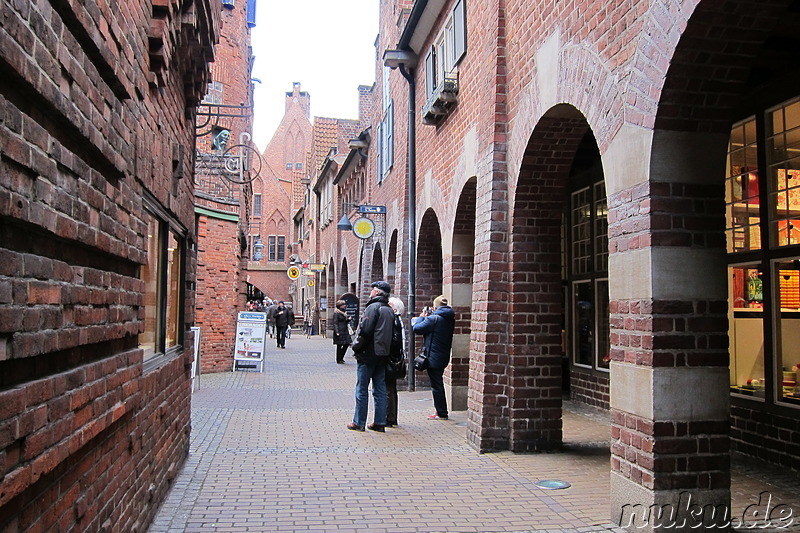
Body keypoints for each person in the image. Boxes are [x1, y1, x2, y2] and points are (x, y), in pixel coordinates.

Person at [347, 281, 394, 433]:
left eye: (374, 289)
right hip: (383, 354)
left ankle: (359, 422)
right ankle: (380, 422)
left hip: (368, 354)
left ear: (378, 292)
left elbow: (365, 331)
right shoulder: (389, 310)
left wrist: (356, 346)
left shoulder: (373, 308)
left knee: (361, 389)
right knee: (380, 389)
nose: (371, 291)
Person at [412, 295, 455, 420]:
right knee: (438, 382)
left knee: (436, 385)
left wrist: (422, 317)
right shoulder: (449, 318)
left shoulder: (433, 319)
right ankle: (440, 410)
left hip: (433, 357)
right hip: (443, 356)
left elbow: (416, 328)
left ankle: (441, 412)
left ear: (435, 307)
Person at [386, 296, 406, 427]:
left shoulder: (393, 320)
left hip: (391, 359)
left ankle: (388, 418)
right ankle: (392, 417)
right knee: (392, 389)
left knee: (388, 389)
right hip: (395, 358)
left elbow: (394, 341)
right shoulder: (398, 320)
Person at [332, 300, 352, 364]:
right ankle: (339, 359)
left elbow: (344, 321)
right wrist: (337, 331)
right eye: (343, 305)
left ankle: (341, 357)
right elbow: (335, 323)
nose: (344, 306)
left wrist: (348, 320)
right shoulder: (336, 313)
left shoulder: (344, 312)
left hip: (344, 330)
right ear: (340, 306)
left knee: (347, 344)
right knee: (339, 345)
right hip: (340, 331)